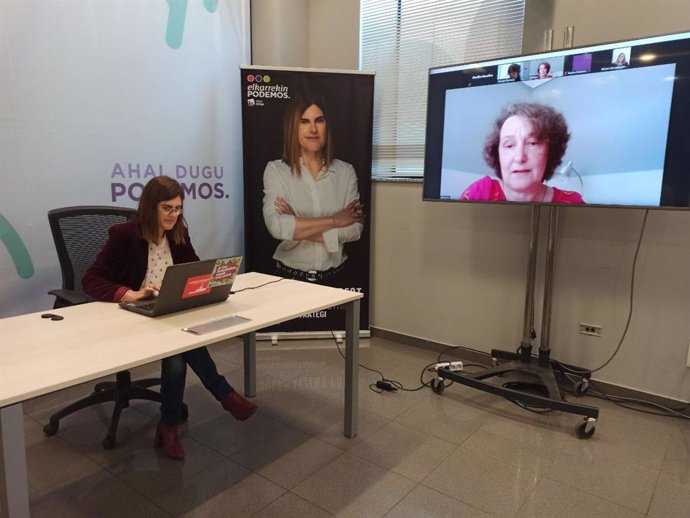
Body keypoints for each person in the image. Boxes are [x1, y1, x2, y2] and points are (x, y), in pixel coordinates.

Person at [82, 176, 257, 460]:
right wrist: (131, 294)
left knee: (178, 352)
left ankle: (170, 425)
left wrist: (208, 284)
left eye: (178, 209)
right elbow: (90, 279)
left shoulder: (178, 232)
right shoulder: (124, 235)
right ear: (150, 207)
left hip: (167, 311)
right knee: (180, 349)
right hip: (134, 314)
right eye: (167, 208)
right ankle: (220, 397)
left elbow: (195, 270)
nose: (174, 215)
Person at [262, 96, 364, 284]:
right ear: (294, 127)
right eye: (304, 121)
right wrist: (335, 220)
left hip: (337, 280)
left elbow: (356, 229)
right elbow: (277, 227)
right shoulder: (276, 170)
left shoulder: (346, 171)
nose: (313, 129)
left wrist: (298, 225)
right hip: (289, 280)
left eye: (319, 120)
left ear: (327, 126)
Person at [461, 102, 584, 204]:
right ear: (497, 155)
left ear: (550, 152)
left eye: (532, 143)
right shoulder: (480, 193)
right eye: (509, 145)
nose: (520, 157)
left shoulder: (572, 203)